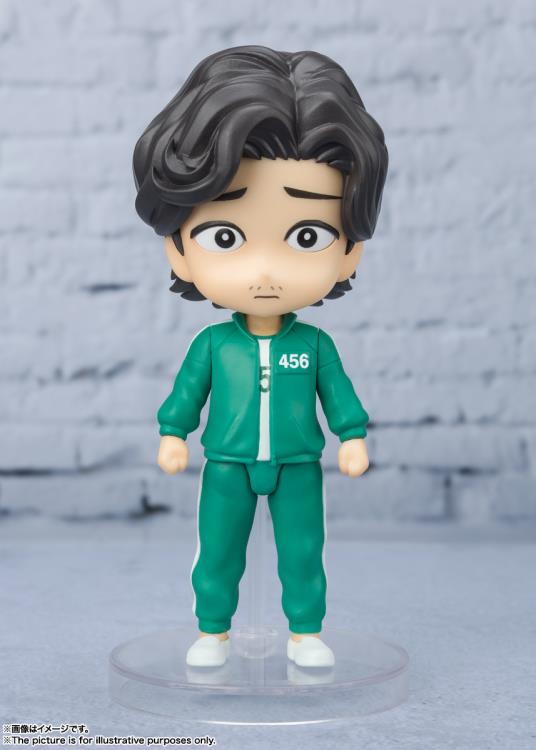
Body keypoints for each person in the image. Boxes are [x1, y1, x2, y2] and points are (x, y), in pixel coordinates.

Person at [133, 45, 388, 667]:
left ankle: (306, 632)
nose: (266, 271)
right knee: (218, 551)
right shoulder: (214, 345)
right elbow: (187, 394)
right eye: (225, 236)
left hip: (298, 465)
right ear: (178, 249)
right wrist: (173, 434)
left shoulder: (315, 345)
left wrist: (352, 436)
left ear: (349, 250)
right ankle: (212, 631)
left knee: (303, 551)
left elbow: (340, 396)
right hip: (227, 463)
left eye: (308, 236)